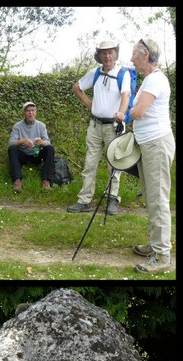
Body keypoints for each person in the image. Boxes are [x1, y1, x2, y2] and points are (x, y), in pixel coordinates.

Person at [67, 40, 131, 215]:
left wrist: (121, 114)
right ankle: (84, 200)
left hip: (114, 126)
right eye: (104, 53)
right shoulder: (94, 73)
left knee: (114, 164)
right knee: (89, 163)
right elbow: (77, 87)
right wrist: (88, 103)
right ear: (99, 56)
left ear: (115, 54)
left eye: (110, 52)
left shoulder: (122, 74)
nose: (107, 56)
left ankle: (112, 199)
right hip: (95, 125)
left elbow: (125, 95)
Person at [130, 38, 176, 274]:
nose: (131, 59)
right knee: (151, 196)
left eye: (134, 55)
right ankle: (155, 245)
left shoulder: (156, 80)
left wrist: (127, 112)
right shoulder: (149, 80)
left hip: (156, 145)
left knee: (158, 199)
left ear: (145, 54)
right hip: (149, 145)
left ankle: (161, 255)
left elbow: (138, 112)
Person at [8, 101, 55, 192]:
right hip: (23, 156)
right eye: (28, 111)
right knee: (12, 149)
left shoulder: (41, 125)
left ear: (36, 112)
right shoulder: (17, 126)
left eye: (32, 110)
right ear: (24, 113)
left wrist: (41, 142)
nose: (30, 113)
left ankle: (46, 180)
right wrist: (22, 141)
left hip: (36, 155)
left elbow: (48, 143)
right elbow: (11, 143)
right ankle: (17, 180)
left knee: (50, 148)